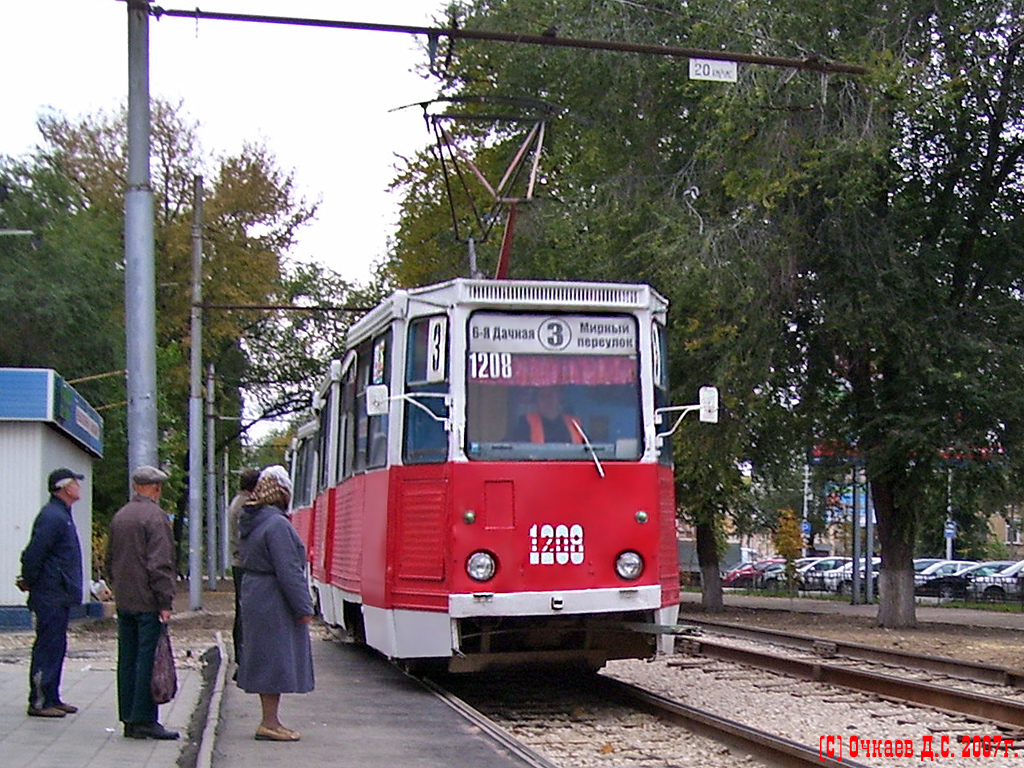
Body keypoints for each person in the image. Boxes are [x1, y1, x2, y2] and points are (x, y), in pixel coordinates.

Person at [236, 465, 314, 742]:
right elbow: (288, 570)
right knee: (274, 659)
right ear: (281, 492)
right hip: (273, 597)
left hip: (257, 592)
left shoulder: (254, 520)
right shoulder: (277, 524)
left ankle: (271, 720)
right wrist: (304, 606)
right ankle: (269, 723)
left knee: (268, 657)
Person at [105, 465, 179, 740]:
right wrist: (165, 600)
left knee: (127, 659)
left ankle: (128, 717)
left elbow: (110, 558)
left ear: (136, 486)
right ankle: (145, 719)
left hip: (125, 599)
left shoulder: (120, 516)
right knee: (147, 659)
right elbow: (159, 563)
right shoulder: (156, 518)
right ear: (156, 488)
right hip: (148, 601)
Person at [17, 468, 85, 718]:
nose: (79, 486)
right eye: (76, 482)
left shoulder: (61, 515)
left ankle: (52, 696)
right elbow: (34, 553)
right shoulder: (53, 517)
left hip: (57, 592)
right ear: (65, 487)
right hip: (50, 593)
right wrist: (30, 581)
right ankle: (40, 701)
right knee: (48, 645)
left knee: (57, 645)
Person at [228, 468, 260, 671]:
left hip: (238, 562)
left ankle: (241, 653)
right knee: (244, 611)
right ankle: (242, 654)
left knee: (240, 610)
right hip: (244, 563)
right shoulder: (245, 506)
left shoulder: (236, 502)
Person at [509, 385, 583, 444]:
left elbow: (588, 451)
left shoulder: (574, 423)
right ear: (536, 401)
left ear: (559, 397)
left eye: (550, 395)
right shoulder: (526, 423)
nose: (547, 400)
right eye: (542, 396)